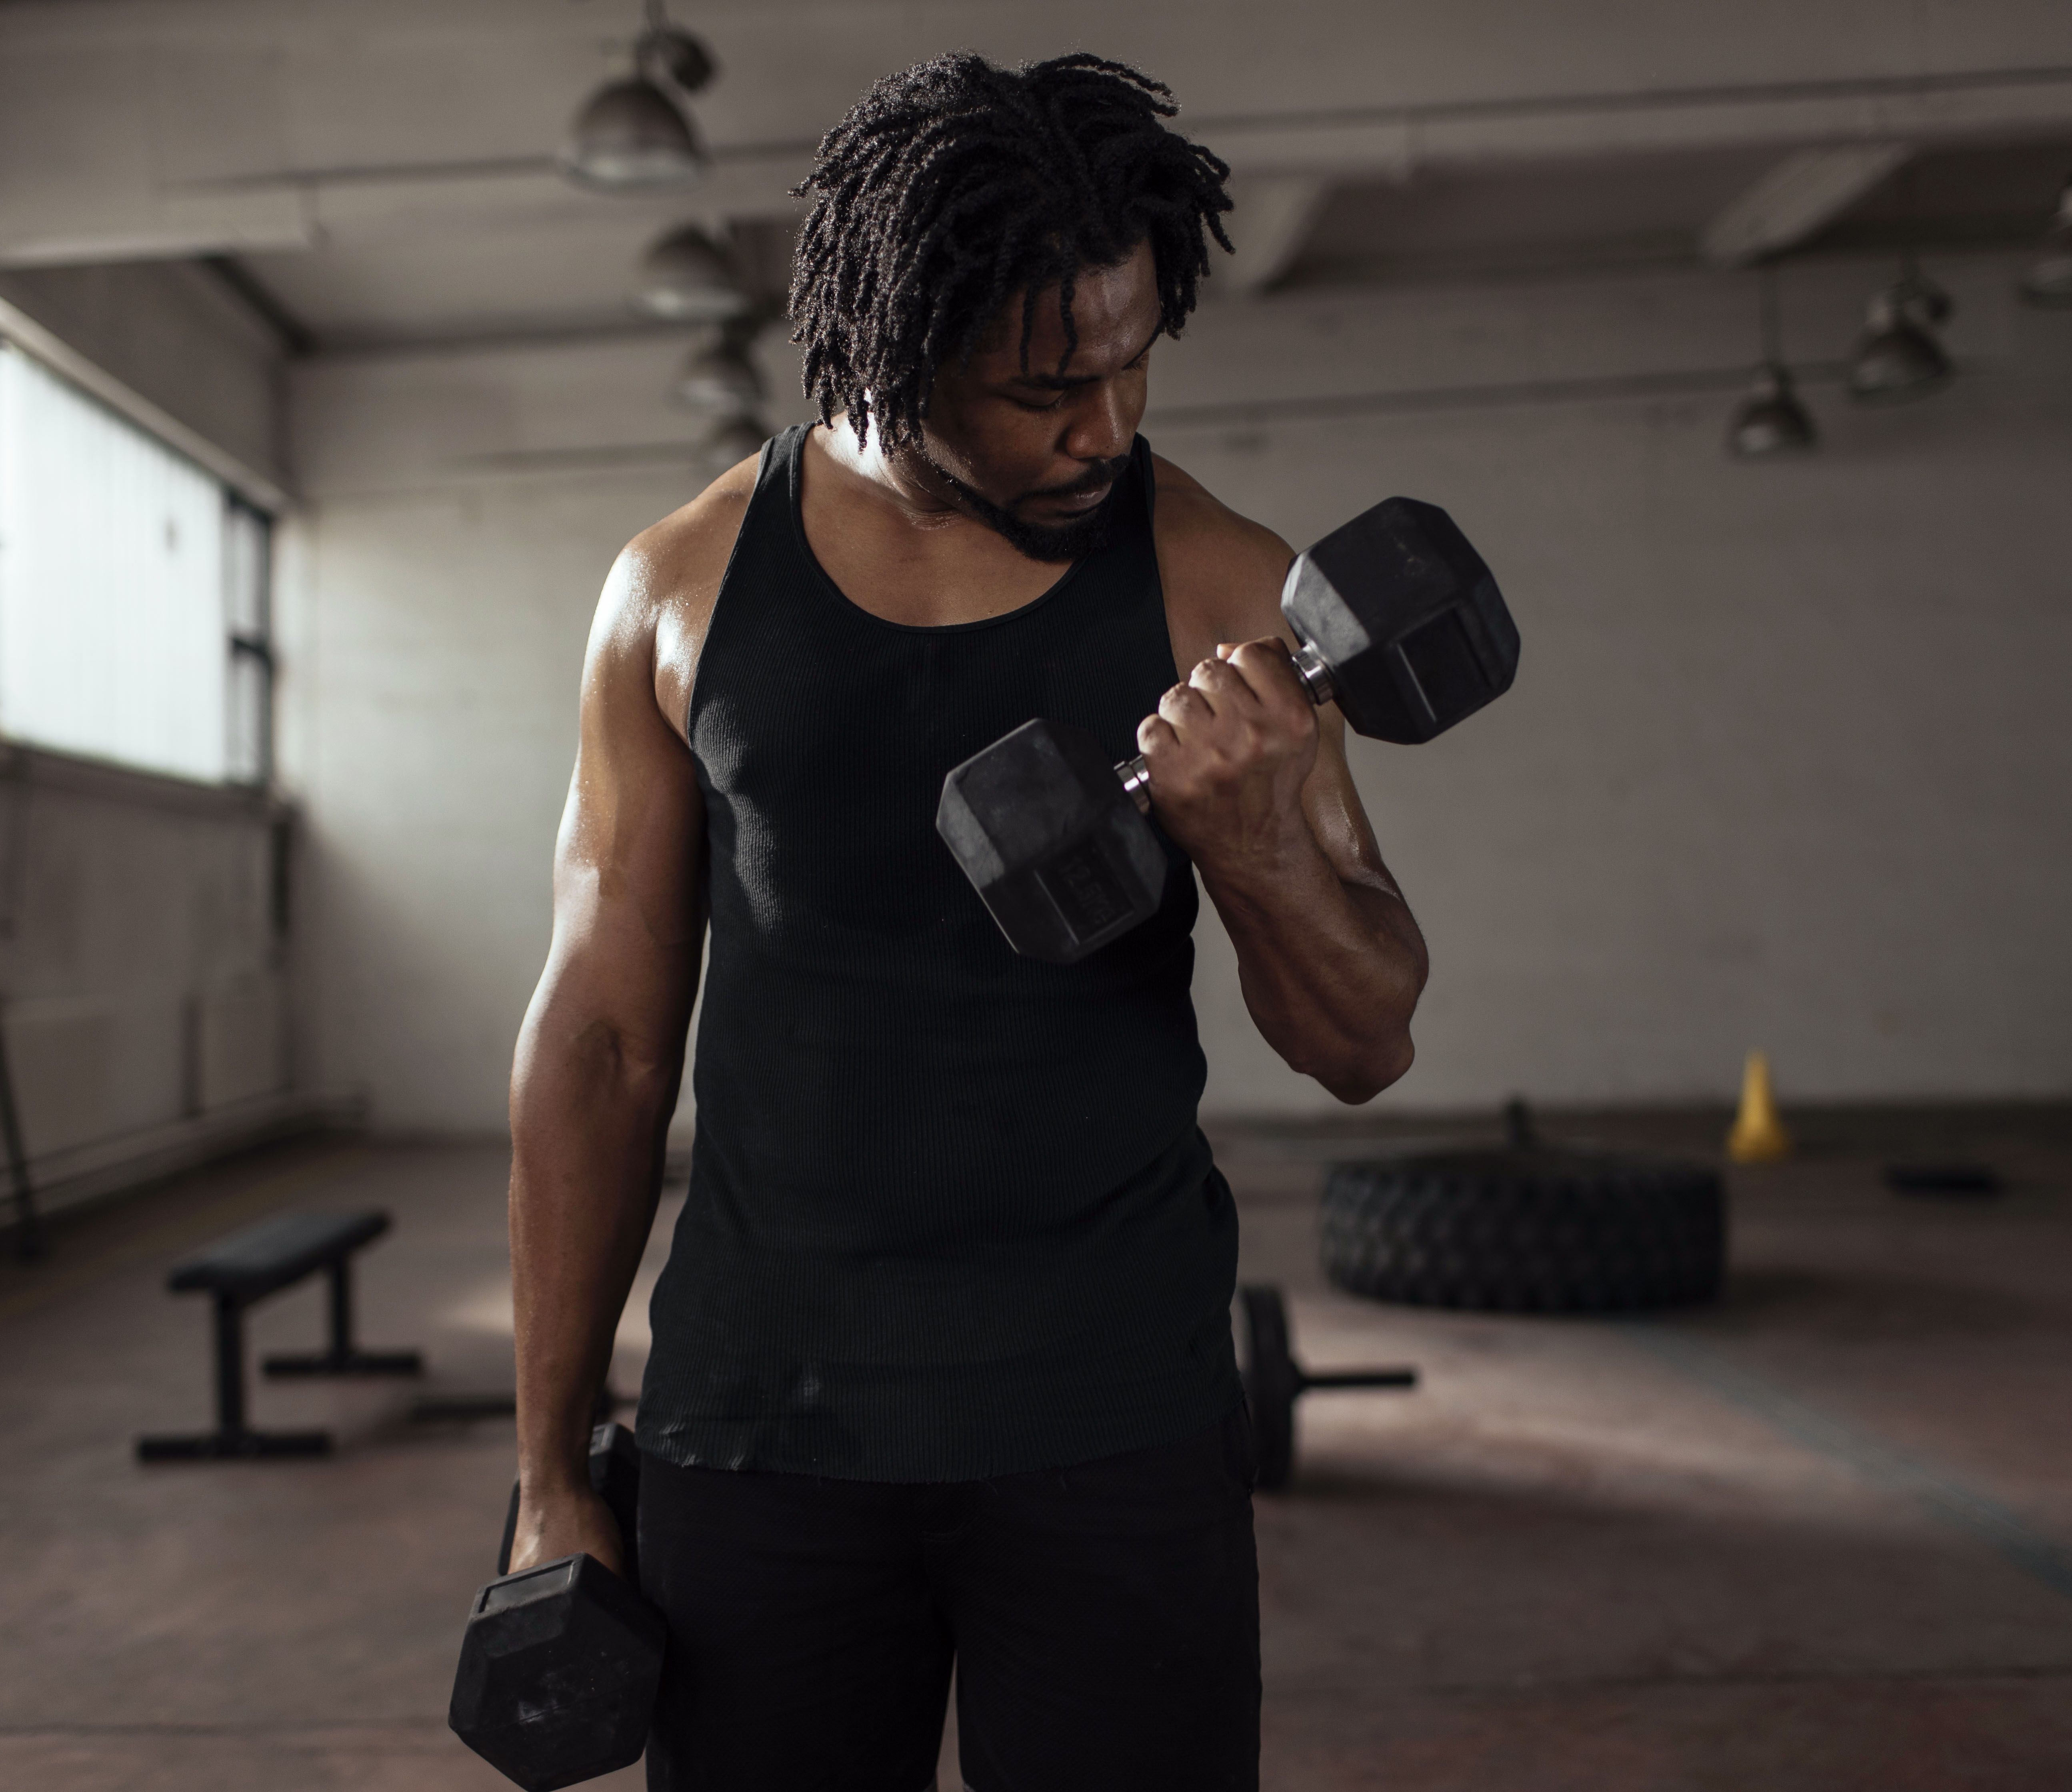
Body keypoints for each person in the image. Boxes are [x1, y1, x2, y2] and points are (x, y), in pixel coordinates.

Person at [504, 51, 1428, 1792]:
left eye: (1136, 358)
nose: (1109, 424)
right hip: (761, 1424)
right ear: (883, 350)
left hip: (1110, 1416)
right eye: (1042, 388)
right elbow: (606, 1043)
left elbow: (1368, 1037)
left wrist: (1259, 852)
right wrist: (554, 1468)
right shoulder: (681, 593)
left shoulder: (1219, 588)